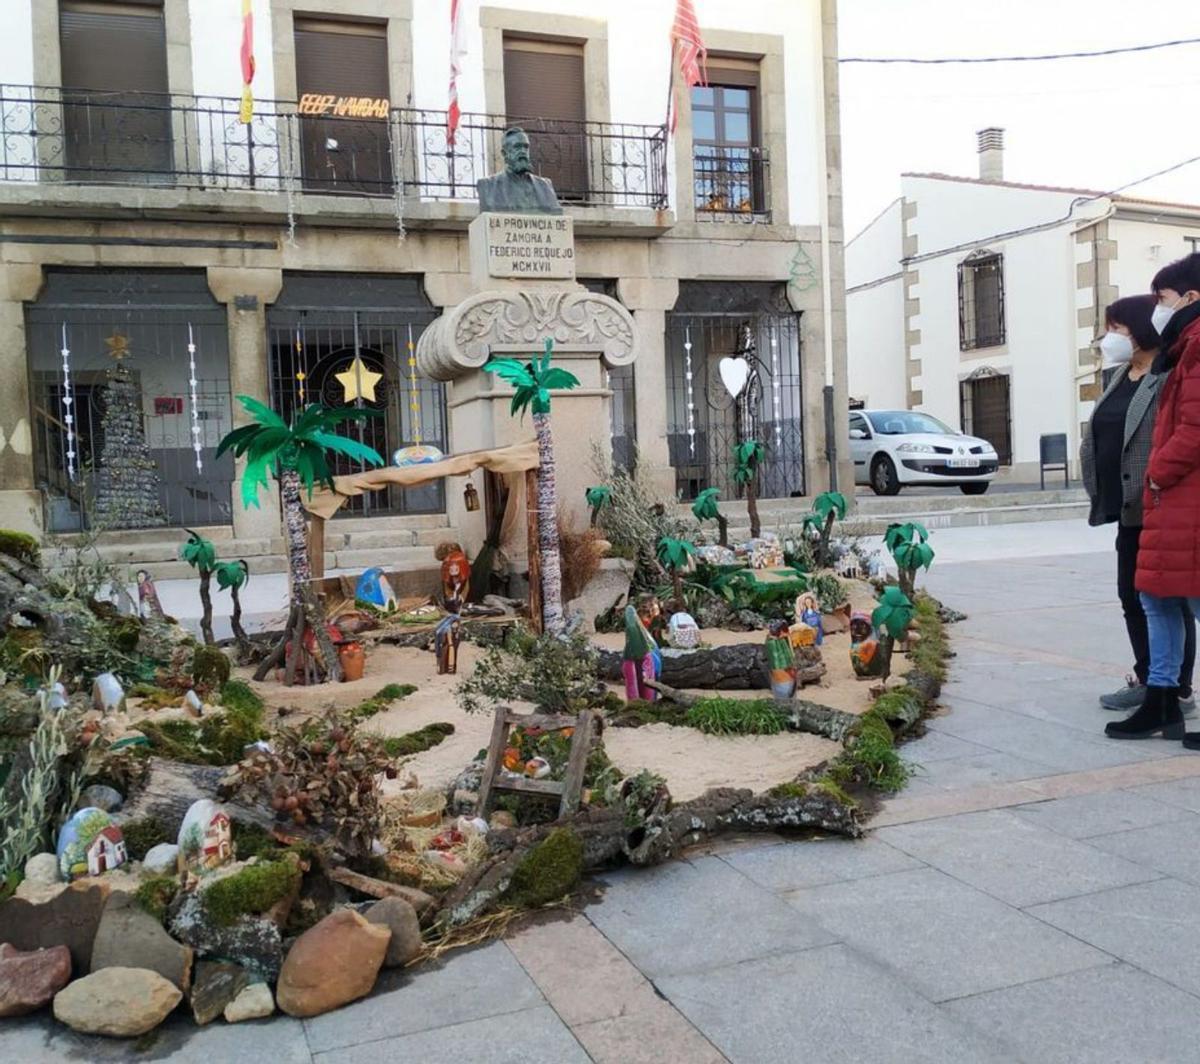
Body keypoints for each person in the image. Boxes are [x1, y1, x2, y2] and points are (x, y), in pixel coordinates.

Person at [1081, 294, 1195, 715]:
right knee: (1132, 595)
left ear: (1142, 329)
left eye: (1118, 328)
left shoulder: (1167, 373)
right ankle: (1150, 678)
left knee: (1169, 596)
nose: (1109, 337)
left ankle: (1175, 690)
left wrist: (1157, 478)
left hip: (1161, 503)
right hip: (1125, 504)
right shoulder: (1117, 375)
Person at [1107, 253, 1200, 740]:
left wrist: (1157, 474)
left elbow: (1194, 428)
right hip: (1171, 499)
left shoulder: (1199, 346)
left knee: (1188, 600)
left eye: (1163, 297)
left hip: (1183, 496)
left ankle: (1167, 696)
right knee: (1155, 596)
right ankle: (1160, 700)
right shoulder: (1184, 348)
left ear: (1190, 297)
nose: (1159, 306)